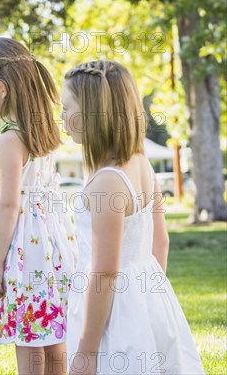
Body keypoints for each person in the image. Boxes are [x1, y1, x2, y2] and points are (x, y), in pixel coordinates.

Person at [62, 60, 205, 375]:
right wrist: (149, 299)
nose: (61, 116)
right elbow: (161, 241)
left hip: (114, 310)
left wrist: (86, 352)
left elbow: (105, 272)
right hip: (149, 296)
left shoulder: (107, 183)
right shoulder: (141, 163)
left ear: (92, 114)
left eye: (67, 107)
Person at [0, 37, 77, 375]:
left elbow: (9, 203)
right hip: (49, 246)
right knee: (51, 329)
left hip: (21, 251)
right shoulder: (41, 134)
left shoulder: (10, 139)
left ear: (2, 88)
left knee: (27, 334)